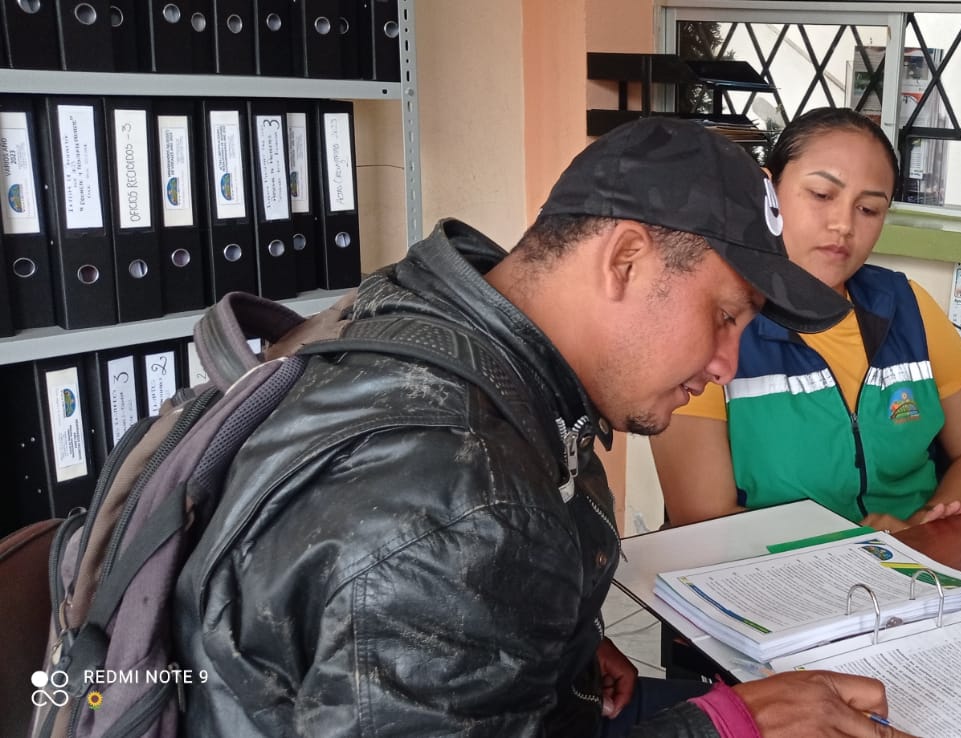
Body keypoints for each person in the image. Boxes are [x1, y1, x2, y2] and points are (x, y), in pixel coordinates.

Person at [174, 118, 914, 738]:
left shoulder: (444, 325)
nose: (727, 365)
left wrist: (557, 644)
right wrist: (718, 728)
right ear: (625, 259)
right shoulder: (461, 503)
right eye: (724, 316)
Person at [651, 108, 961, 532]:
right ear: (768, 192)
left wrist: (924, 524)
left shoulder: (907, 308)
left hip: (915, 560)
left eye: (869, 209)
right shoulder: (710, 324)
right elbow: (703, 518)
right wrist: (858, 545)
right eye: (822, 195)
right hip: (774, 568)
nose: (844, 224)